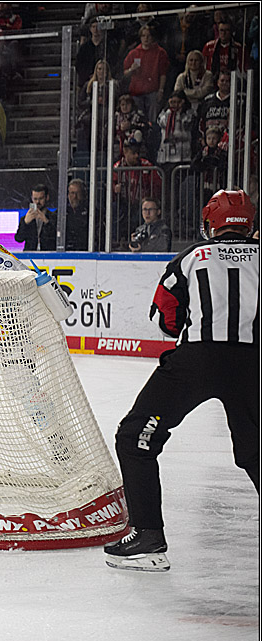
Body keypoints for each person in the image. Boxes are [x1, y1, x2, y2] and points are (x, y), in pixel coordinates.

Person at [105, 190, 259, 572]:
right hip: (253, 364)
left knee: (135, 437)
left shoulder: (190, 259)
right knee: (255, 451)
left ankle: (148, 537)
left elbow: (165, 317)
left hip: (197, 362)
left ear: (211, 223)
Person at [16, 183, 57, 251]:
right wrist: (25, 223)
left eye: (41, 198)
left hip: (48, 256)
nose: (38, 202)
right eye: (35, 199)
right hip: (30, 255)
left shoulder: (53, 216)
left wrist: (46, 221)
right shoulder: (26, 218)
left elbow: (56, 237)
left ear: (47, 198)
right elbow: (18, 238)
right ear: (32, 199)